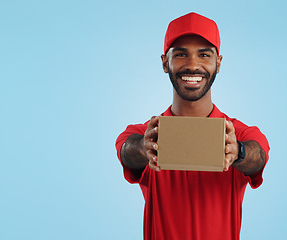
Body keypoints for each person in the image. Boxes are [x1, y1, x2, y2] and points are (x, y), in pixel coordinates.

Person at [115, 12, 270, 240]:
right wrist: (142, 147)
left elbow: (258, 156)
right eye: (180, 54)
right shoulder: (145, 134)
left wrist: (238, 151)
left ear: (218, 63)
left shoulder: (238, 133)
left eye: (204, 54)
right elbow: (127, 151)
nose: (192, 65)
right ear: (165, 62)